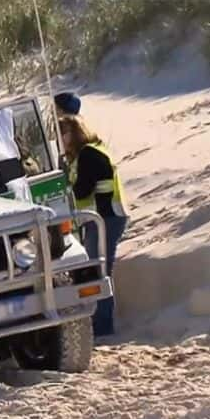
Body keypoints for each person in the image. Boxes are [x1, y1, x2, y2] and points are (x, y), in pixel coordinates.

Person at [57, 115, 128, 337]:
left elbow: (83, 191)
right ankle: (100, 323)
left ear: (76, 133)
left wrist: (66, 188)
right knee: (99, 269)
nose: (62, 140)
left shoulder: (88, 154)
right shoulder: (88, 153)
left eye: (64, 134)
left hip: (105, 218)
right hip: (103, 217)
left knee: (99, 272)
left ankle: (103, 326)